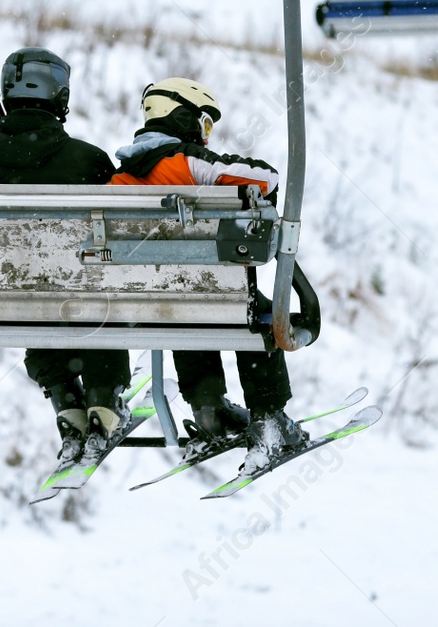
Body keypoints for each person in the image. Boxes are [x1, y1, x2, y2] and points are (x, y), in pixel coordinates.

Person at [109, 78, 309, 471]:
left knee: (187, 313)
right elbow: (265, 179)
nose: (205, 135)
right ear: (180, 116)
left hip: (150, 306)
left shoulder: (118, 178)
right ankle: (269, 421)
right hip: (217, 301)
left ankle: (209, 412)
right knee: (255, 314)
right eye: (204, 124)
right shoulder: (187, 162)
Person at [0, 47, 131, 468]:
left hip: (7, 307)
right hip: (84, 305)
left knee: (29, 285)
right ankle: (104, 403)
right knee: (93, 288)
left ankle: (68, 411)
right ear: (61, 97)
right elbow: (119, 244)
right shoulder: (89, 160)